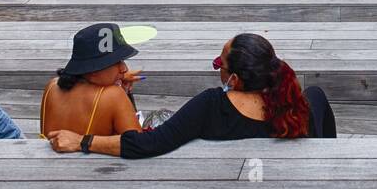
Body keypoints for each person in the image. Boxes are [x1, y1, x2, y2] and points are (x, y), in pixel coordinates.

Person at [46, 33, 335, 158]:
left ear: (233, 79)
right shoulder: (294, 104)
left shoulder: (211, 105)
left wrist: (82, 141)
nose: (217, 68)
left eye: (219, 64)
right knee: (316, 95)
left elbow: (150, 143)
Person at [40, 24, 143, 139]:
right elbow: (138, 144)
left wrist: (125, 92)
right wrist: (125, 96)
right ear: (94, 68)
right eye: (116, 62)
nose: (124, 69)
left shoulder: (52, 86)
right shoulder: (113, 95)